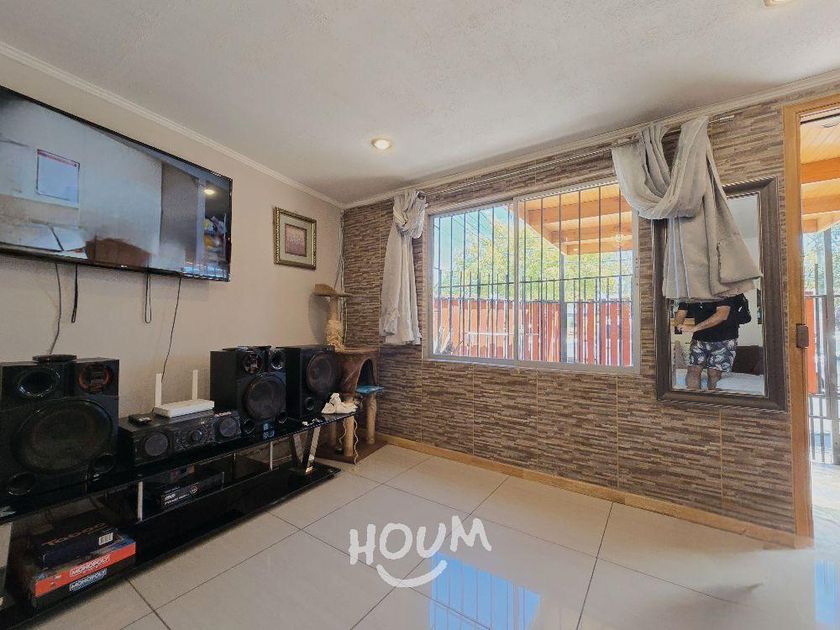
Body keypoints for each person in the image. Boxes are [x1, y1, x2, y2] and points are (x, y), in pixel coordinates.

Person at [673, 295, 745, 391]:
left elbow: (722, 314)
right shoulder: (690, 291)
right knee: (693, 370)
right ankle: (692, 399)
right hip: (700, 338)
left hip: (724, 338)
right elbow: (682, 310)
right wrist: (678, 325)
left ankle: (712, 400)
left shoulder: (721, 289)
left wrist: (694, 328)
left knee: (714, 373)